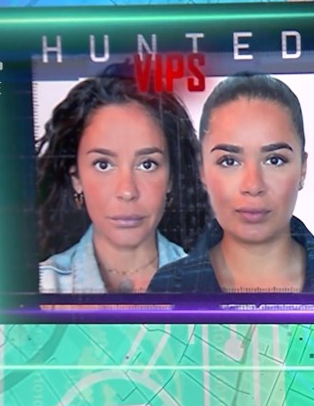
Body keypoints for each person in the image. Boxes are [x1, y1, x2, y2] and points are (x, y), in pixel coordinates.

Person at [148, 73, 314, 294]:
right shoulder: (167, 288)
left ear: (302, 169)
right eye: (229, 161)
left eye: (274, 160)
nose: (253, 186)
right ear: (202, 171)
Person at [36, 66, 205, 293]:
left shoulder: (210, 285)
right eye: (103, 165)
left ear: (171, 179)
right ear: (76, 177)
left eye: (147, 164)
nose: (127, 191)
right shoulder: (41, 287)